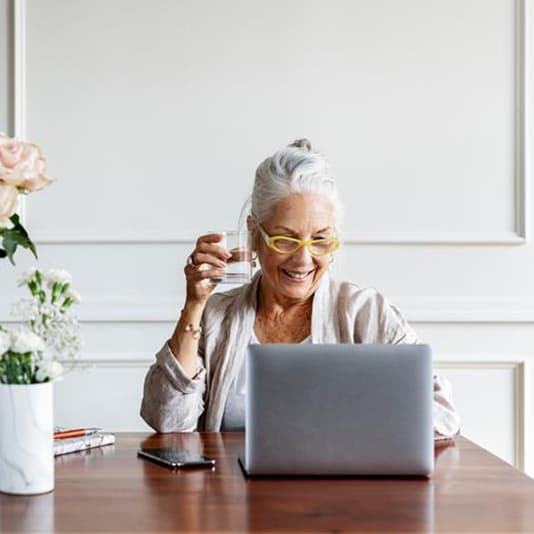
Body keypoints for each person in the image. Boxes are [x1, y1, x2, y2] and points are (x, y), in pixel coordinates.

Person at [141, 139, 460, 436]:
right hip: (233, 494)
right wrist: (195, 304)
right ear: (255, 234)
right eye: (285, 239)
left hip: (339, 496)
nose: (303, 259)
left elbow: (442, 417)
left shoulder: (366, 314)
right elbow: (168, 422)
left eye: (320, 239)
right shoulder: (217, 317)